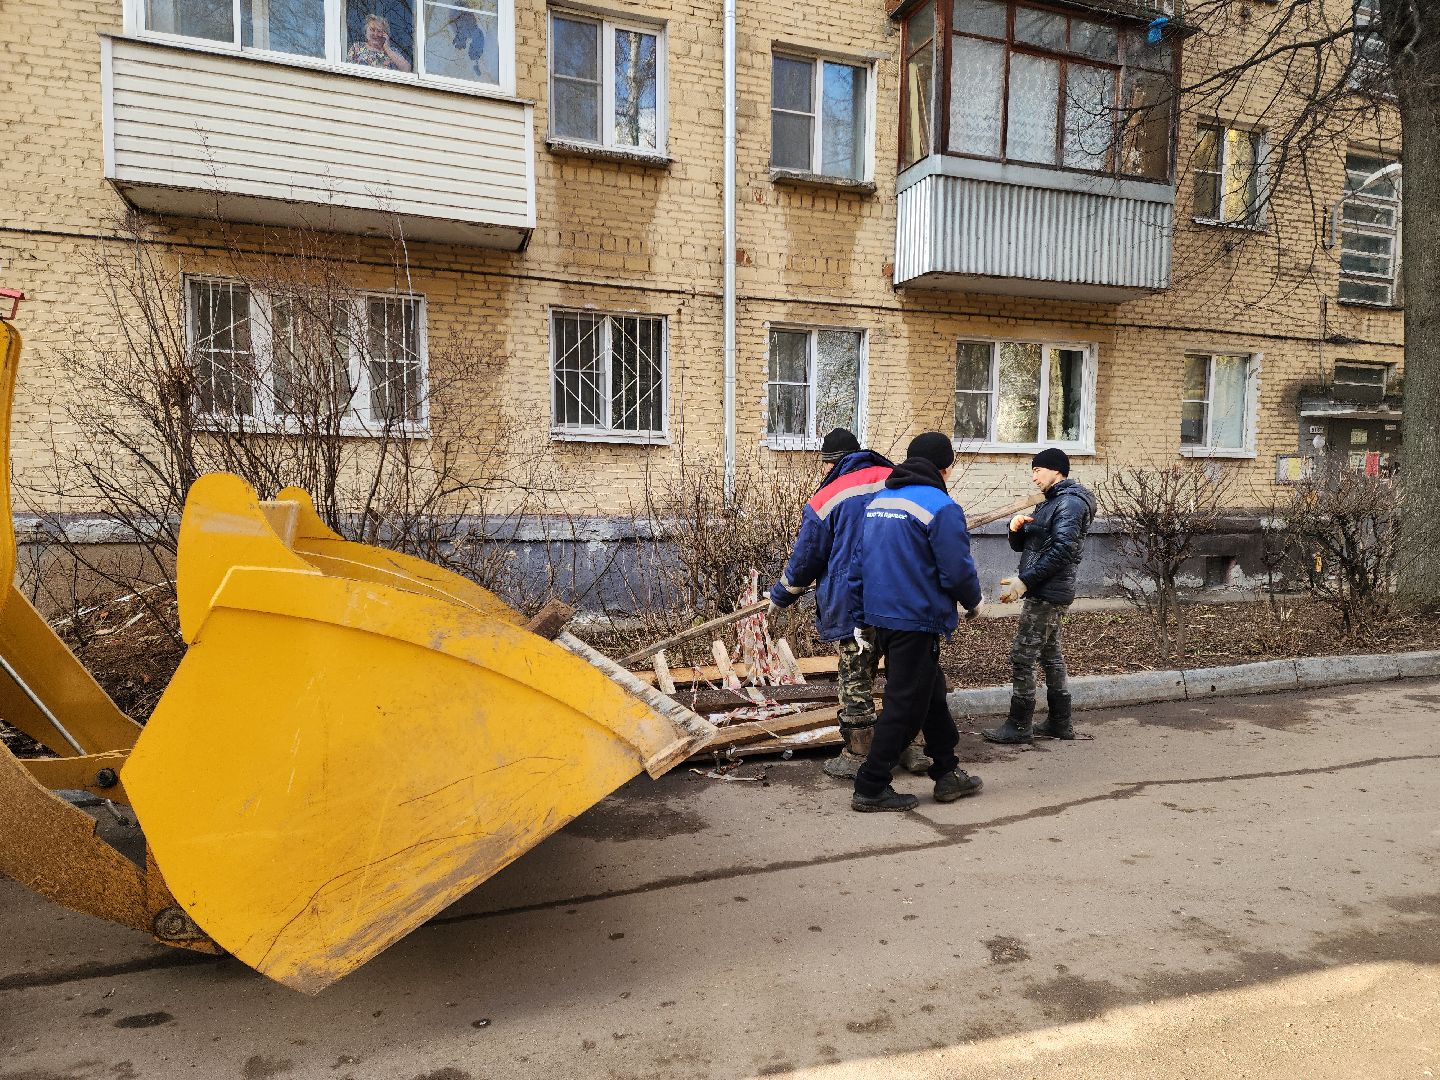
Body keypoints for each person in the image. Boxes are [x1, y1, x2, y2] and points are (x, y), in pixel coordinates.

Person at [767, 429, 931, 779]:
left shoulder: (829, 496)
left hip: (855, 599)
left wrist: (781, 595)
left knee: (856, 676)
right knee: (905, 675)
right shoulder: (899, 479)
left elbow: (807, 557)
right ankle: (913, 748)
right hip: (904, 597)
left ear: (830, 462)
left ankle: (858, 755)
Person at [846, 432, 985, 812]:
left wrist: (860, 617)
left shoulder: (879, 502)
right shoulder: (941, 506)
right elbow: (956, 570)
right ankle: (871, 785)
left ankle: (947, 772)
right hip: (917, 619)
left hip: (883, 618)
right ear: (945, 468)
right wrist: (973, 602)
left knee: (931, 693)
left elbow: (857, 566)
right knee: (904, 704)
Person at [982, 448, 1097, 744]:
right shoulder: (1051, 502)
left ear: (1056, 470)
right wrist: (1015, 529)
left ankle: (1019, 726)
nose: (1033, 476)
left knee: (1022, 656)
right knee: (1050, 655)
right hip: (1045, 589)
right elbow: (1029, 547)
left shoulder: (1070, 503)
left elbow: (1063, 551)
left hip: (1048, 591)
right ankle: (1060, 722)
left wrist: (1025, 580)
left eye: (1037, 470)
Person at [348, 14, 412, 72]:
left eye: (379, 31)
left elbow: (407, 69)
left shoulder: (393, 51)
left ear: (385, 34)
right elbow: (348, 69)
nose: (375, 34)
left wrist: (387, 49)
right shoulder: (357, 47)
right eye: (372, 30)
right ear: (366, 32)